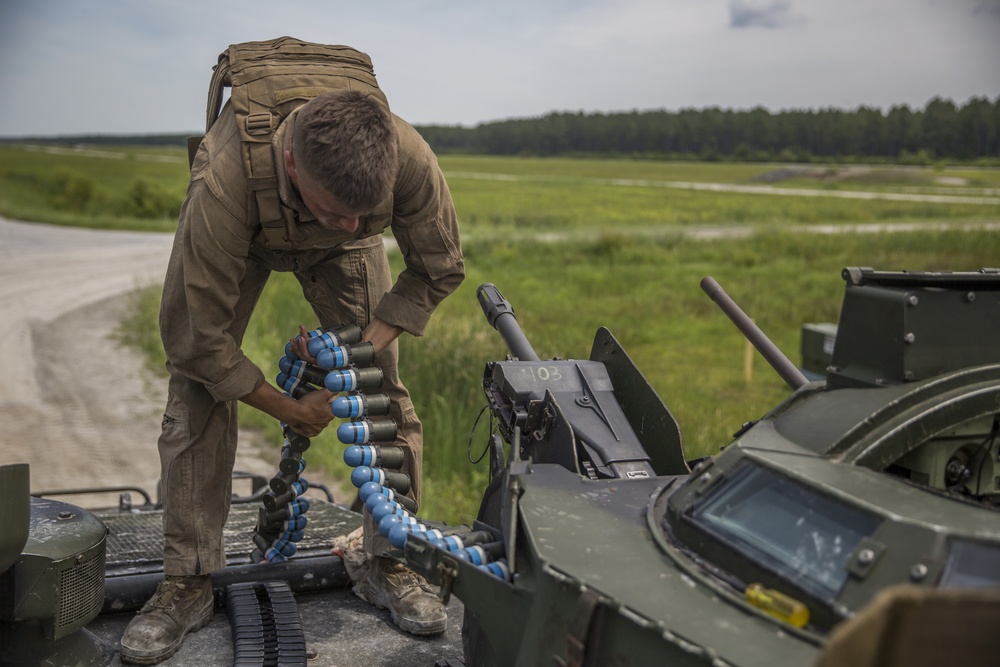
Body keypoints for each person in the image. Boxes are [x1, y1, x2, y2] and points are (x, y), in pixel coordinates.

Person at [119, 89, 464, 665]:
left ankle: (388, 559)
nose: (351, 224)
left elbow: (438, 266)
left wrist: (355, 358)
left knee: (380, 394)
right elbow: (197, 340)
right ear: (291, 165)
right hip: (248, 230)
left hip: (342, 246)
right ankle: (188, 579)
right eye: (335, 210)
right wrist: (291, 410)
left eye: (363, 212)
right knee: (197, 394)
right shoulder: (224, 183)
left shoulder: (409, 159)